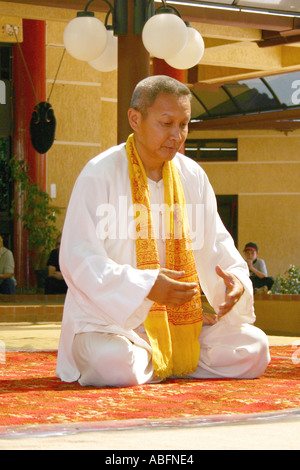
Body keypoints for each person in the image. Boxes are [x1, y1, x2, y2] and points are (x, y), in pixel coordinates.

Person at [56, 75, 270, 387]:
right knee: (111, 365)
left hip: (178, 325)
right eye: (166, 123)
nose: (176, 135)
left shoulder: (192, 175)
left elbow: (217, 245)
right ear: (135, 119)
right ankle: (166, 360)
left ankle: (163, 360)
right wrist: (143, 287)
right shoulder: (99, 174)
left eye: (184, 124)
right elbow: (79, 259)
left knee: (254, 349)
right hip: (109, 324)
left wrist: (235, 282)